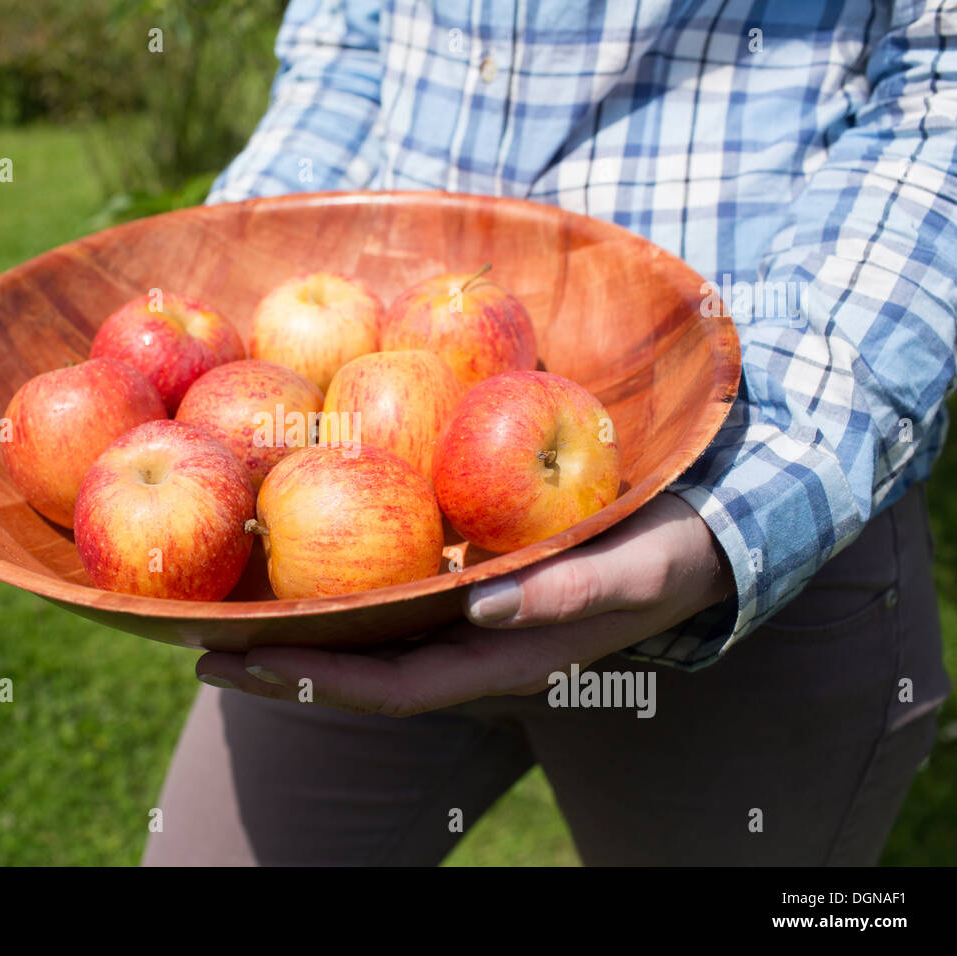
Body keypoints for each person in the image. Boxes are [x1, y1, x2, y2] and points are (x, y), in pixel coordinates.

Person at [142, 0, 955, 866]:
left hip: (726, 547)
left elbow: (938, 84)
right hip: (350, 565)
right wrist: (245, 264)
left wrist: (742, 503)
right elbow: (344, 40)